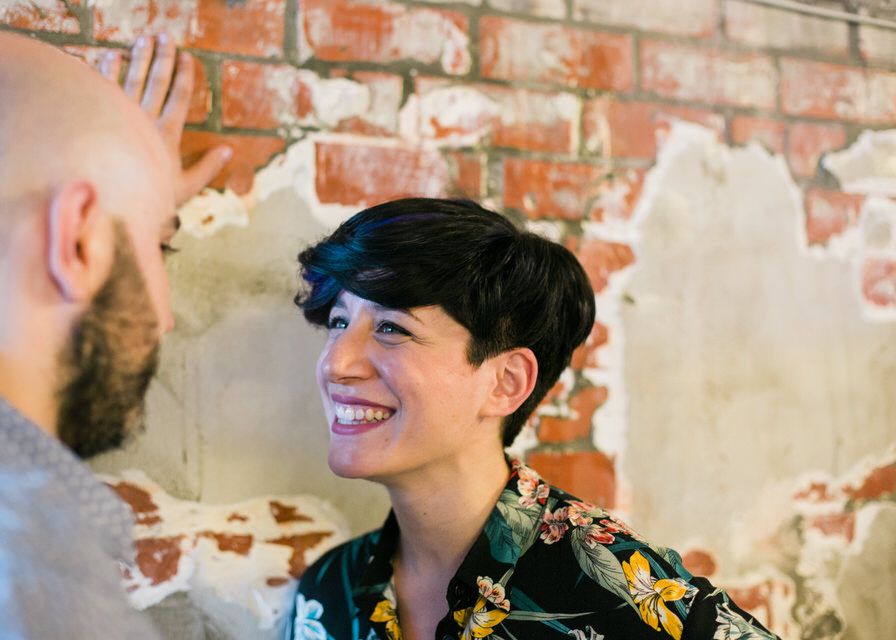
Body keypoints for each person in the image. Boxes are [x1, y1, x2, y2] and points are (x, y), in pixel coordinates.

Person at [288, 198, 779, 640]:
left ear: (505, 382)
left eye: (392, 327)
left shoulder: (618, 586)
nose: (335, 363)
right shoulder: (330, 590)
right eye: (338, 321)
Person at [0, 31, 226, 638]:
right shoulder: (25, 585)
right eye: (162, 245)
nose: (166, 317)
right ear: (78, 241)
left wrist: (132, 191)